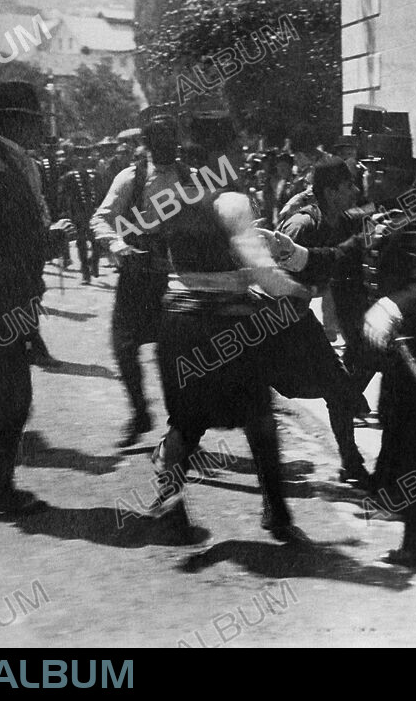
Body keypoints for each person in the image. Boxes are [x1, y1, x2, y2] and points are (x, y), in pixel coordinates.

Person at [265, 133, 416, 566]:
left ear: (399, 178)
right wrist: (294, 253)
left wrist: (393, 305)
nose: (366, 177)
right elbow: (340, 256)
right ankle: (414, 518)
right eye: (366, 169)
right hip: (400, 356)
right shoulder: (384, 219)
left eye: (375, 171)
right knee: (399, 434)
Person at [147, 106, 311, 541]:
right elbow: (260, 270)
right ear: (225, 153)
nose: (241, 158)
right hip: (225, 325)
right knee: (259, 417)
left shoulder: (170, 196)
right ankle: (276, 512)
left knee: (186, 420)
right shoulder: (233, 201)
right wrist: (296, 290)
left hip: (177, 321)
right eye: (236, 150)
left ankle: (168, 498)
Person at [0, 82, 75, 514]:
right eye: (34, 122)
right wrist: (48, 242)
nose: (39, 131)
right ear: (15, 122)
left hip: (5, 298)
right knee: (12, 396)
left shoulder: (6, 161)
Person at [91, 107, 193, 447]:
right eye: (161, 142)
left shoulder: (189, 176)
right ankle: (140, 413)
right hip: (136, 275)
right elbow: (100, 219)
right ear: (148, 144)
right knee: (123, 346)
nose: (169, 149)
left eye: (173, 142)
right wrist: (118, 245)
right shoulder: (130, 179)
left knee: (175, 355)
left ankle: (182, 426)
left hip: (176, 278)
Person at [268, 155, 371, 487]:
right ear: (330, 192)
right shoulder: (302, 225)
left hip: (299, 317)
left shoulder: (339, 220)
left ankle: (351, 465)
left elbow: (367, 221)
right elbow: (270, 277)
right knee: (229, 399)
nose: (355, 190)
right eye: (348, 186)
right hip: (269, 321)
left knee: (338, 389)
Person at [58, 146, 104, 284]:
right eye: (79, 157)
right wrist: (64, 211)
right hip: (78, 214)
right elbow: (62, 196)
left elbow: (102, 193)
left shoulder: (96, 175)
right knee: (81, 243)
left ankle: (94, 263)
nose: (82, 160)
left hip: (94, 214)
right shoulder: (69, 177)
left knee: (97, 243)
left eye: (85, 157)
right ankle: (85, 271)